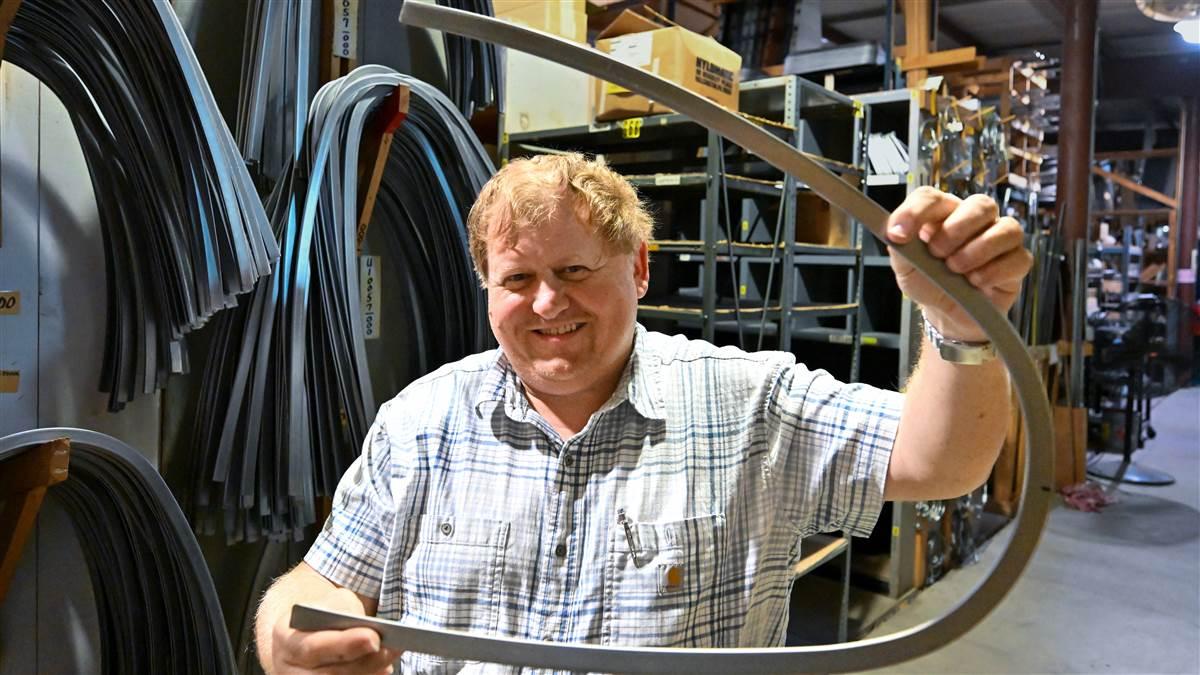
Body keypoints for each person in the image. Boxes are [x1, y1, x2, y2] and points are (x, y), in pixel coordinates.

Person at [256, 153, 1032, 674]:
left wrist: (963, 327)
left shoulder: (751, 405)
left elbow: (943, 461)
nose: (548, 302)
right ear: (486, 286)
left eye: (574, 270)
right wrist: (289, 631)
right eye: (517, 277)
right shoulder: (420, 422)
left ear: (639, 266)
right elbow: (317, 585)